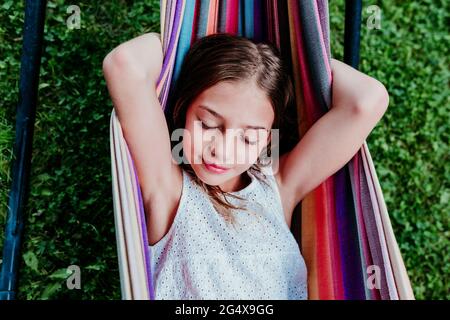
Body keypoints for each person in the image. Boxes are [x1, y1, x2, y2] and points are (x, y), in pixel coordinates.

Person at [102, 32, 389, 299]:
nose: (222, 151)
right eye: (209, 124)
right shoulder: (169, 190)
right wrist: (180, 38)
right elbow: (124, 65)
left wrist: (301, 57)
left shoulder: (279, 188)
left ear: (267, 140)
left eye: (249, 138)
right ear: (183, 109)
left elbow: (366, 101)